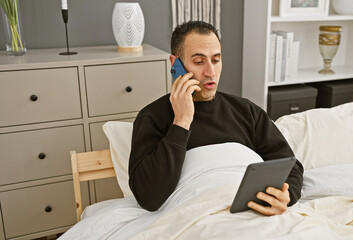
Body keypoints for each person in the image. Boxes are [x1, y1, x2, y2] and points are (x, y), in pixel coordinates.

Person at [128, 21, 303, 216]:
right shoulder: (152, 117)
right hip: (196, 217)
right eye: (199, 61)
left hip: (255, 214)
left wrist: (286, 196)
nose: (210, 72)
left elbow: (290, 165)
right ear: (175, 64)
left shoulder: (247, 111)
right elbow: (148, 197)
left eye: (216, 60)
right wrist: (182, 122)